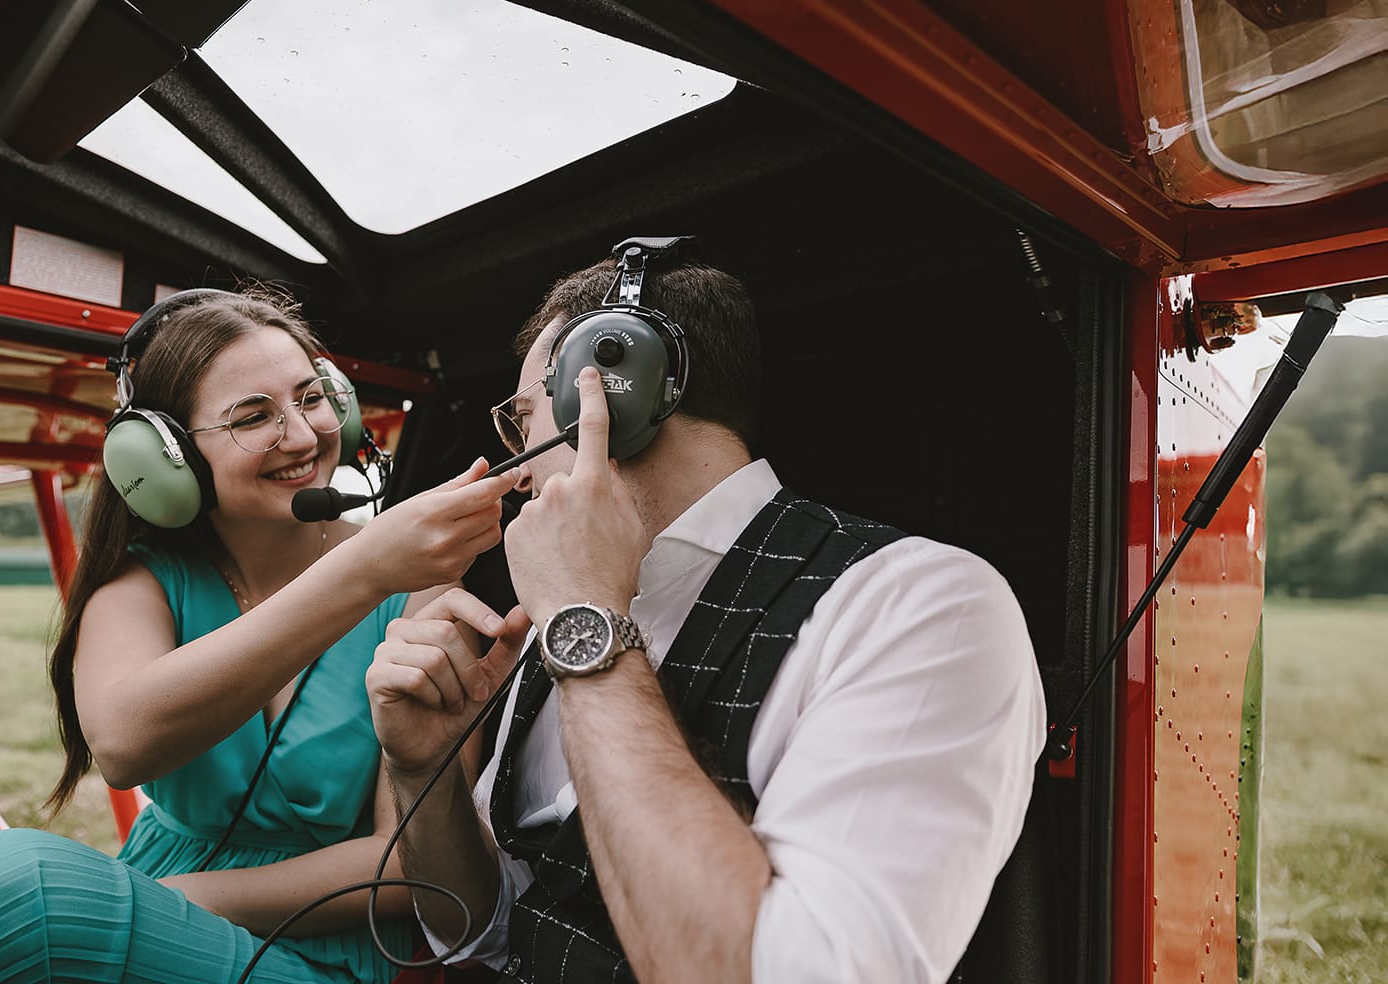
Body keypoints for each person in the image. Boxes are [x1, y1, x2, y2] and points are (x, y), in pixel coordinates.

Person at [0, 289, 521, 984]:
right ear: (167, 459)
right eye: (253, 416)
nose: (302, 434)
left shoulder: (414, 589)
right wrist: (361, 571)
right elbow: (124, 744)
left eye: (312, 399)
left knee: (32, 890)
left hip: (321, 948)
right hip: (145, 892)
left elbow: (404, 871)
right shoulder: (143, 583)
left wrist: (169, 899)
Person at [367, 247, 1047, 982]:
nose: (517, 471)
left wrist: (586, 620)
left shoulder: (923, 605)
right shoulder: (559, 613)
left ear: (613, 394)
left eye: (521, 422)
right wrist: (425, 769)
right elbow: (481, 930)